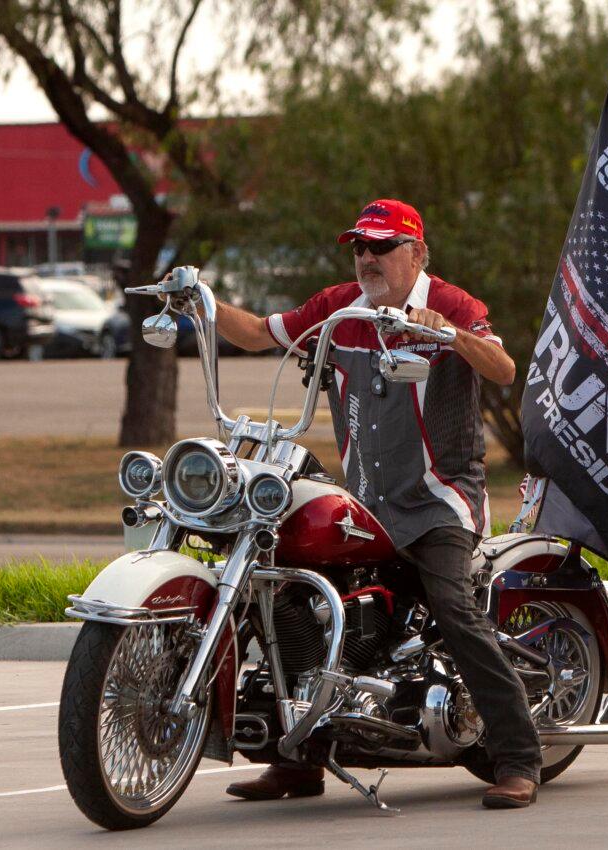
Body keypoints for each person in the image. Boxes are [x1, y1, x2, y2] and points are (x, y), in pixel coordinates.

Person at [212, 199, 542, 809]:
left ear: (416, 252)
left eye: (381, 246)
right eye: (359, 246)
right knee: (289, 597)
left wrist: (446, 331)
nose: (367, 256)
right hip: (364, 505)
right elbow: (260, 332)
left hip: (439, 501)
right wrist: (204, 304)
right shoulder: (341, 307)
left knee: (453, 609)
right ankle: (298, 758)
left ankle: (519, 758)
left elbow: (501, 367)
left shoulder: (451, 304)